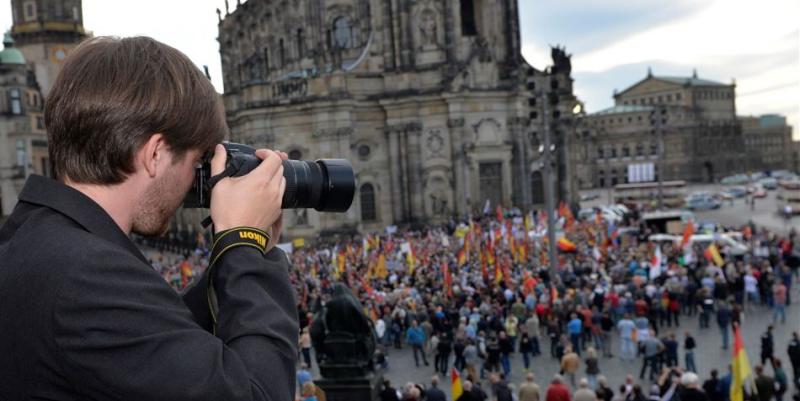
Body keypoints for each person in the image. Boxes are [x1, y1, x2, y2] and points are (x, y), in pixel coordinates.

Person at [0, 36, 298, 400]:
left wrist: (244, 251)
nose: (196, 180)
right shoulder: (87, 276)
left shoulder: (36, 242)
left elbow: (159, 336)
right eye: (196, 162)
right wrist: (243, 241)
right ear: (155, 153)